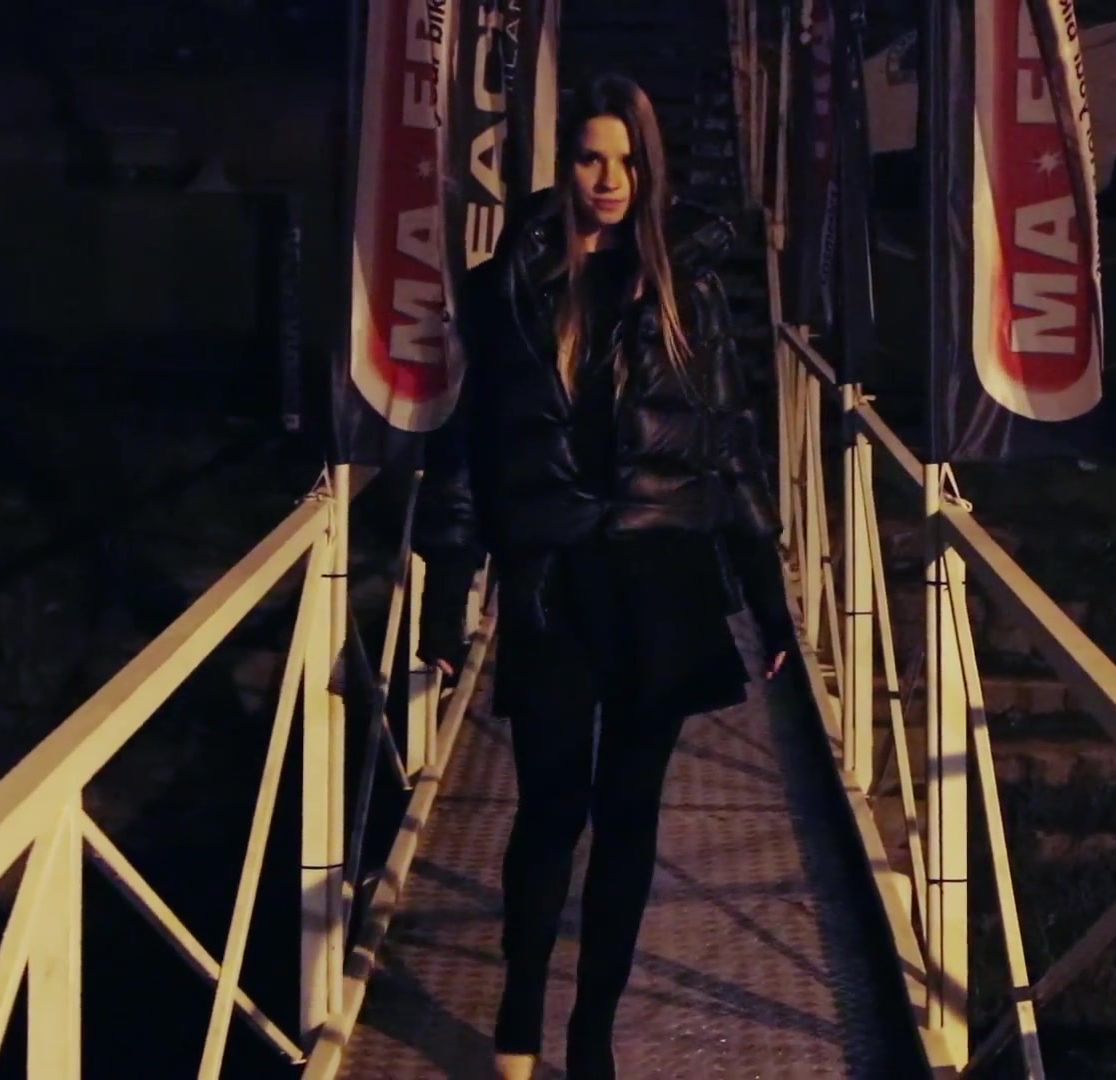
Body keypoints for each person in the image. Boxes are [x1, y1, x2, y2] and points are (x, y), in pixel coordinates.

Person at [410, 72, 797, 1080]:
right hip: (552, 579)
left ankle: (592, 1037)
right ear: (565, 164)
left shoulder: (684, 289)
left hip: (661, 581)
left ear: (648, 168)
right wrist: (446, 604)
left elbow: (732, 450)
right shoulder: (505, 290)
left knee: (629, 815)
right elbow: (465, 455)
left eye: (627, 160)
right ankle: (521, 1003)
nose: (610, 179)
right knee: (549, 807)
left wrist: (769, 602)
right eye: (591, 157)